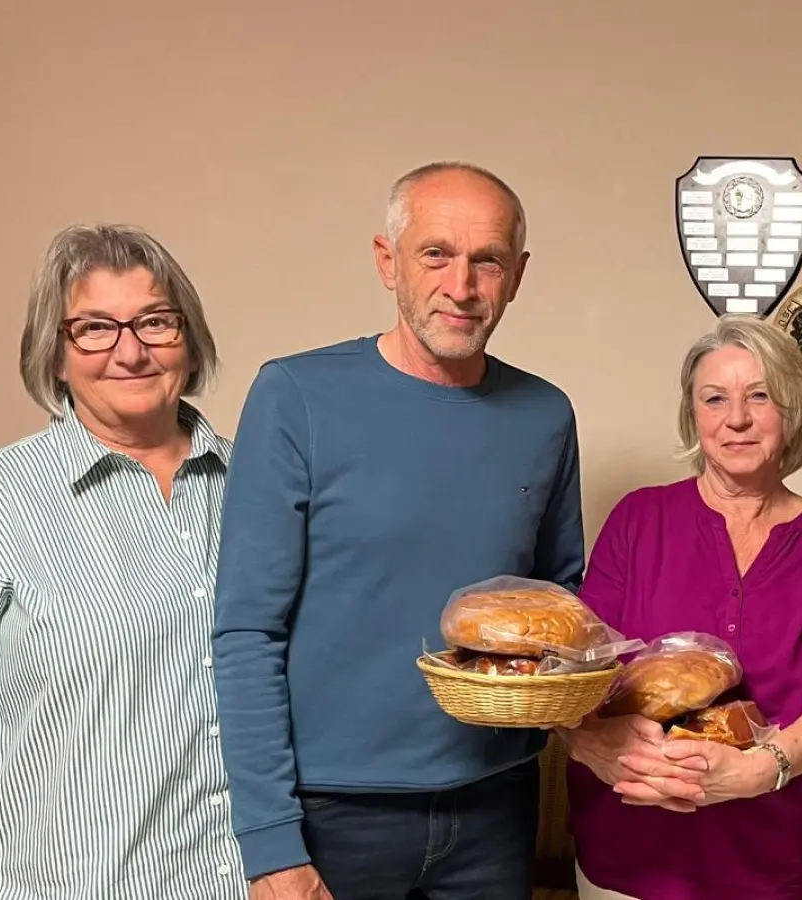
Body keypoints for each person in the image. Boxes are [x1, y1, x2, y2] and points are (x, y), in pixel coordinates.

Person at [211, 162, 584, 900]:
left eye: (489, 261)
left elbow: (557, 603)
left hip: (497, 806)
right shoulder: (296, 396)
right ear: (388, 261)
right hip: (332, 815)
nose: (463, 285)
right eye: (435, 254)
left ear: (517, 276)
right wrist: (270, 843)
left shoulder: (546, 414)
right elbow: (245, 631)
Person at [0, 224, 244, 899]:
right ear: (54, 357)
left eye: (155, 322)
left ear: (188, 341)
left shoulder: (258, 488)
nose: (130, 352)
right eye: (95, 329)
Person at [557, 314, 802, 900]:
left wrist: (765, 768)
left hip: (785, 863)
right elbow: (576, 672)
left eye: (759, 396)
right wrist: (587, 742)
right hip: (631, 859)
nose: (736, 418)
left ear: (792, 410)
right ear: (695, 415)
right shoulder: (638, 520)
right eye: (715, 399)